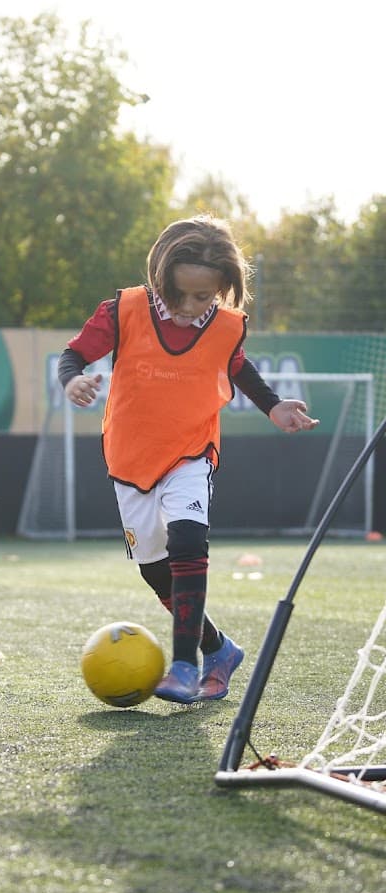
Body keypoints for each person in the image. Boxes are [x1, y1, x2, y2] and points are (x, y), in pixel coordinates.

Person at [58, 215, 319, 705]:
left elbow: (236, 365)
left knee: (187, 538)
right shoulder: (124, 310)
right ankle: (219, 649)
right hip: (130, 457)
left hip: (191, 451)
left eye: (206, 297)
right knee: (155, 570)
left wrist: (274, 405)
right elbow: (74, 356)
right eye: (182, 297)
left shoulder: (226, 327)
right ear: (161, 279)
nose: (192, 307)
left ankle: (184, 666)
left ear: (223, 289)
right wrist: (73, 381)